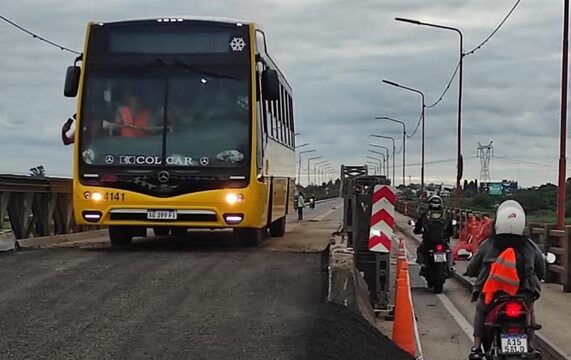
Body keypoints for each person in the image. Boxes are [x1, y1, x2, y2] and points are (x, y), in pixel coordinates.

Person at [465, 200, 545, 359]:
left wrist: (470, 272)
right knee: (529, 311)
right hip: (523, 293)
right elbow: (541, 269)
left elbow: (473, 267)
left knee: (481, 309)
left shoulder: (488, 244)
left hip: (494, 294)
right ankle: (530, 345)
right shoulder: (529, 246)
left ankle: (476, 345)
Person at [413, 195, 453, 276]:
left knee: (420, 250)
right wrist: (448, 235)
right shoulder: (446, 215)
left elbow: (418, 226)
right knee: (449, 251)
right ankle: (449, 267)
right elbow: (450, 229)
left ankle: (424, 266)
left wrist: (417, 231)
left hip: (429, 241)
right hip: (442, 241)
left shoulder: (425, 215)